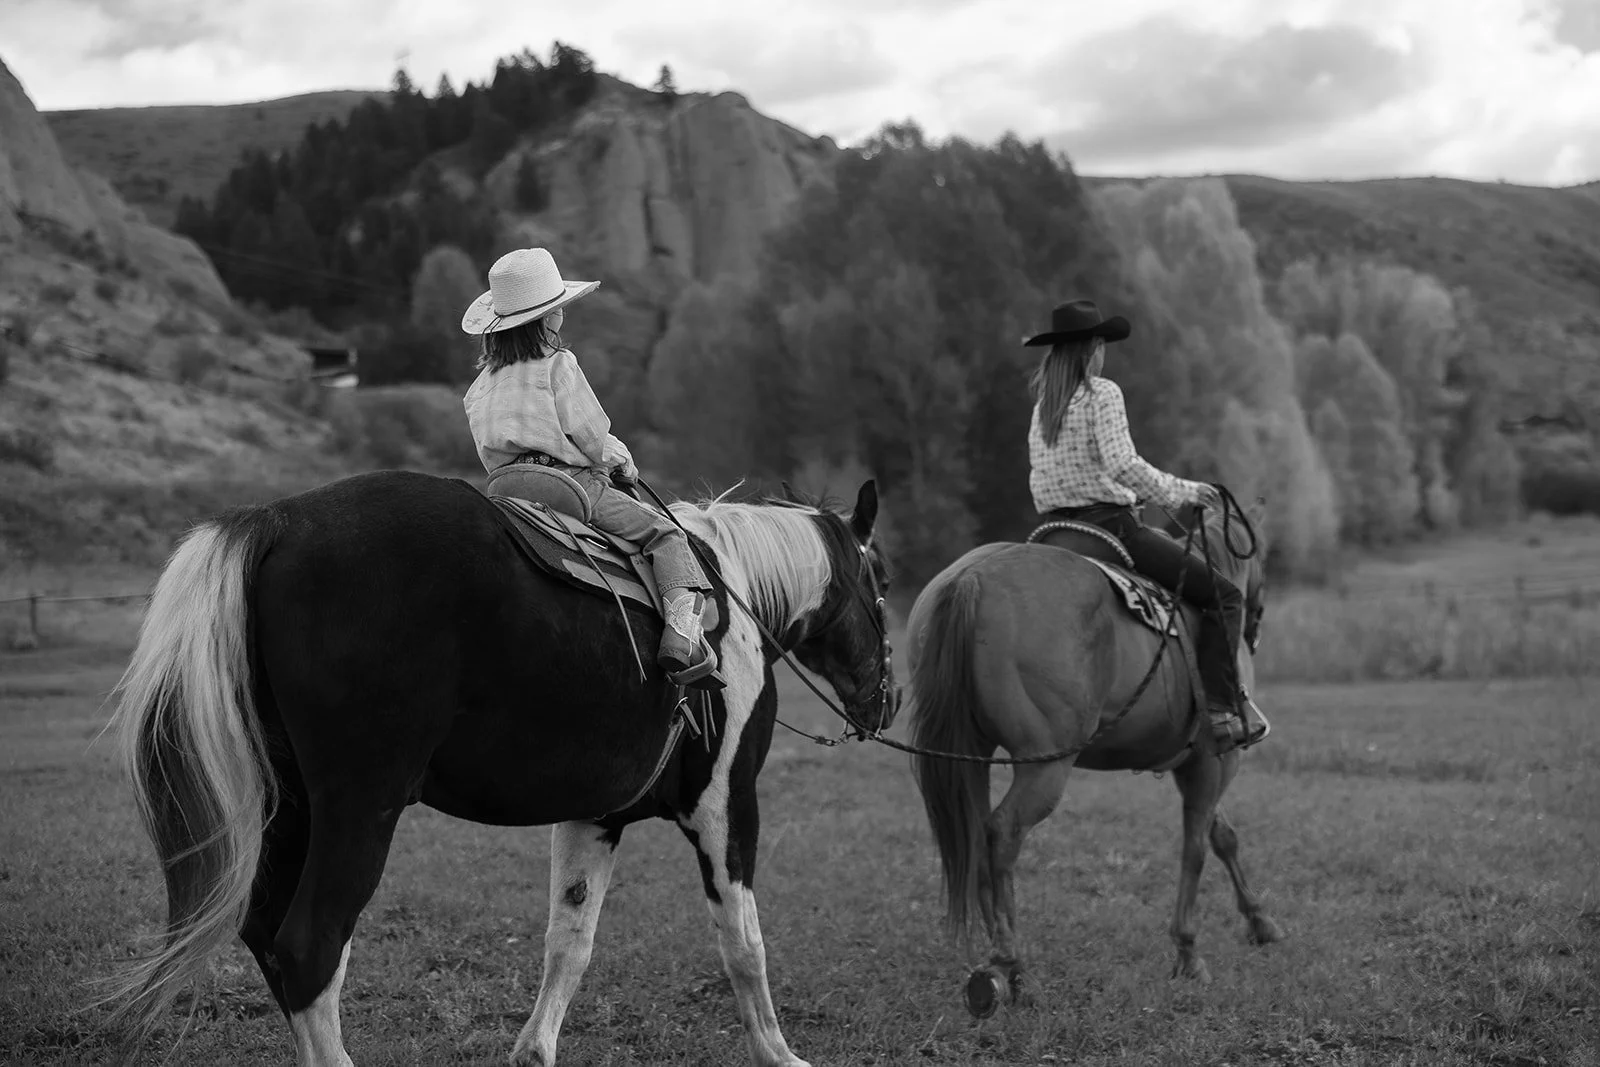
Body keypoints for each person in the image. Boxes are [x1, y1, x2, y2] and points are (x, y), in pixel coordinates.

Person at [460, 247, 718, 686]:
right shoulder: (559, 365)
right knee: (666, 533)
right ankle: (682, 638)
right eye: (557, 307)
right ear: (548, 319)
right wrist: (623, 464)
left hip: (503, 490)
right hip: (567, 484)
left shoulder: (478, 387)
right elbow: (593, 438)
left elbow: (487, 453)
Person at [1022, 299, 1268, 752]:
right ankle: (1221, 710)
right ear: (1093, 349)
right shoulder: (1102, 394)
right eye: (1101, 344)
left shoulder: (1044, 406)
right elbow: (1121, 464)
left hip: (1051, 532)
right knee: (1224, 596)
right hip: (1109, 530)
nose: (1103, 353)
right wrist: (1184, 492)